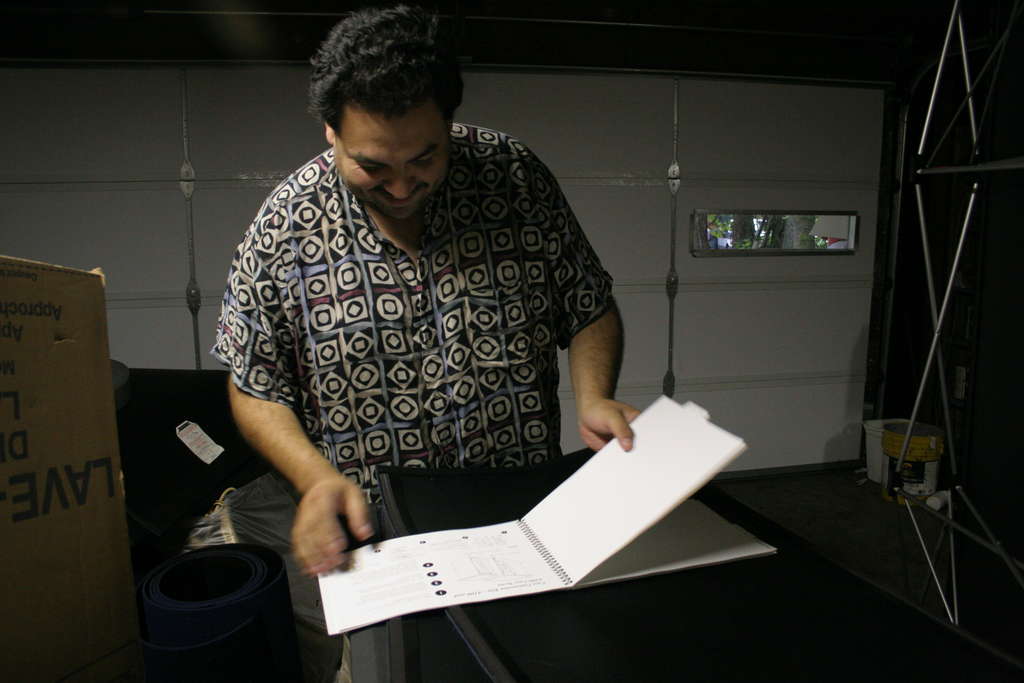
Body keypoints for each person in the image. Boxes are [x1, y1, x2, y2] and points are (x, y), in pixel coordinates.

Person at [212, 4, 639, 578]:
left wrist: (595, 396)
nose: (401, 186)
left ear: (447, 123)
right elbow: (254, 381)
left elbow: (587, 304)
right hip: (376, 534)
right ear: (332, 131)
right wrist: (313, 479)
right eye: (373, 166)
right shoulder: (286, 225)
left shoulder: (514, 178)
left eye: (424, 158)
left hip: (519, 514)